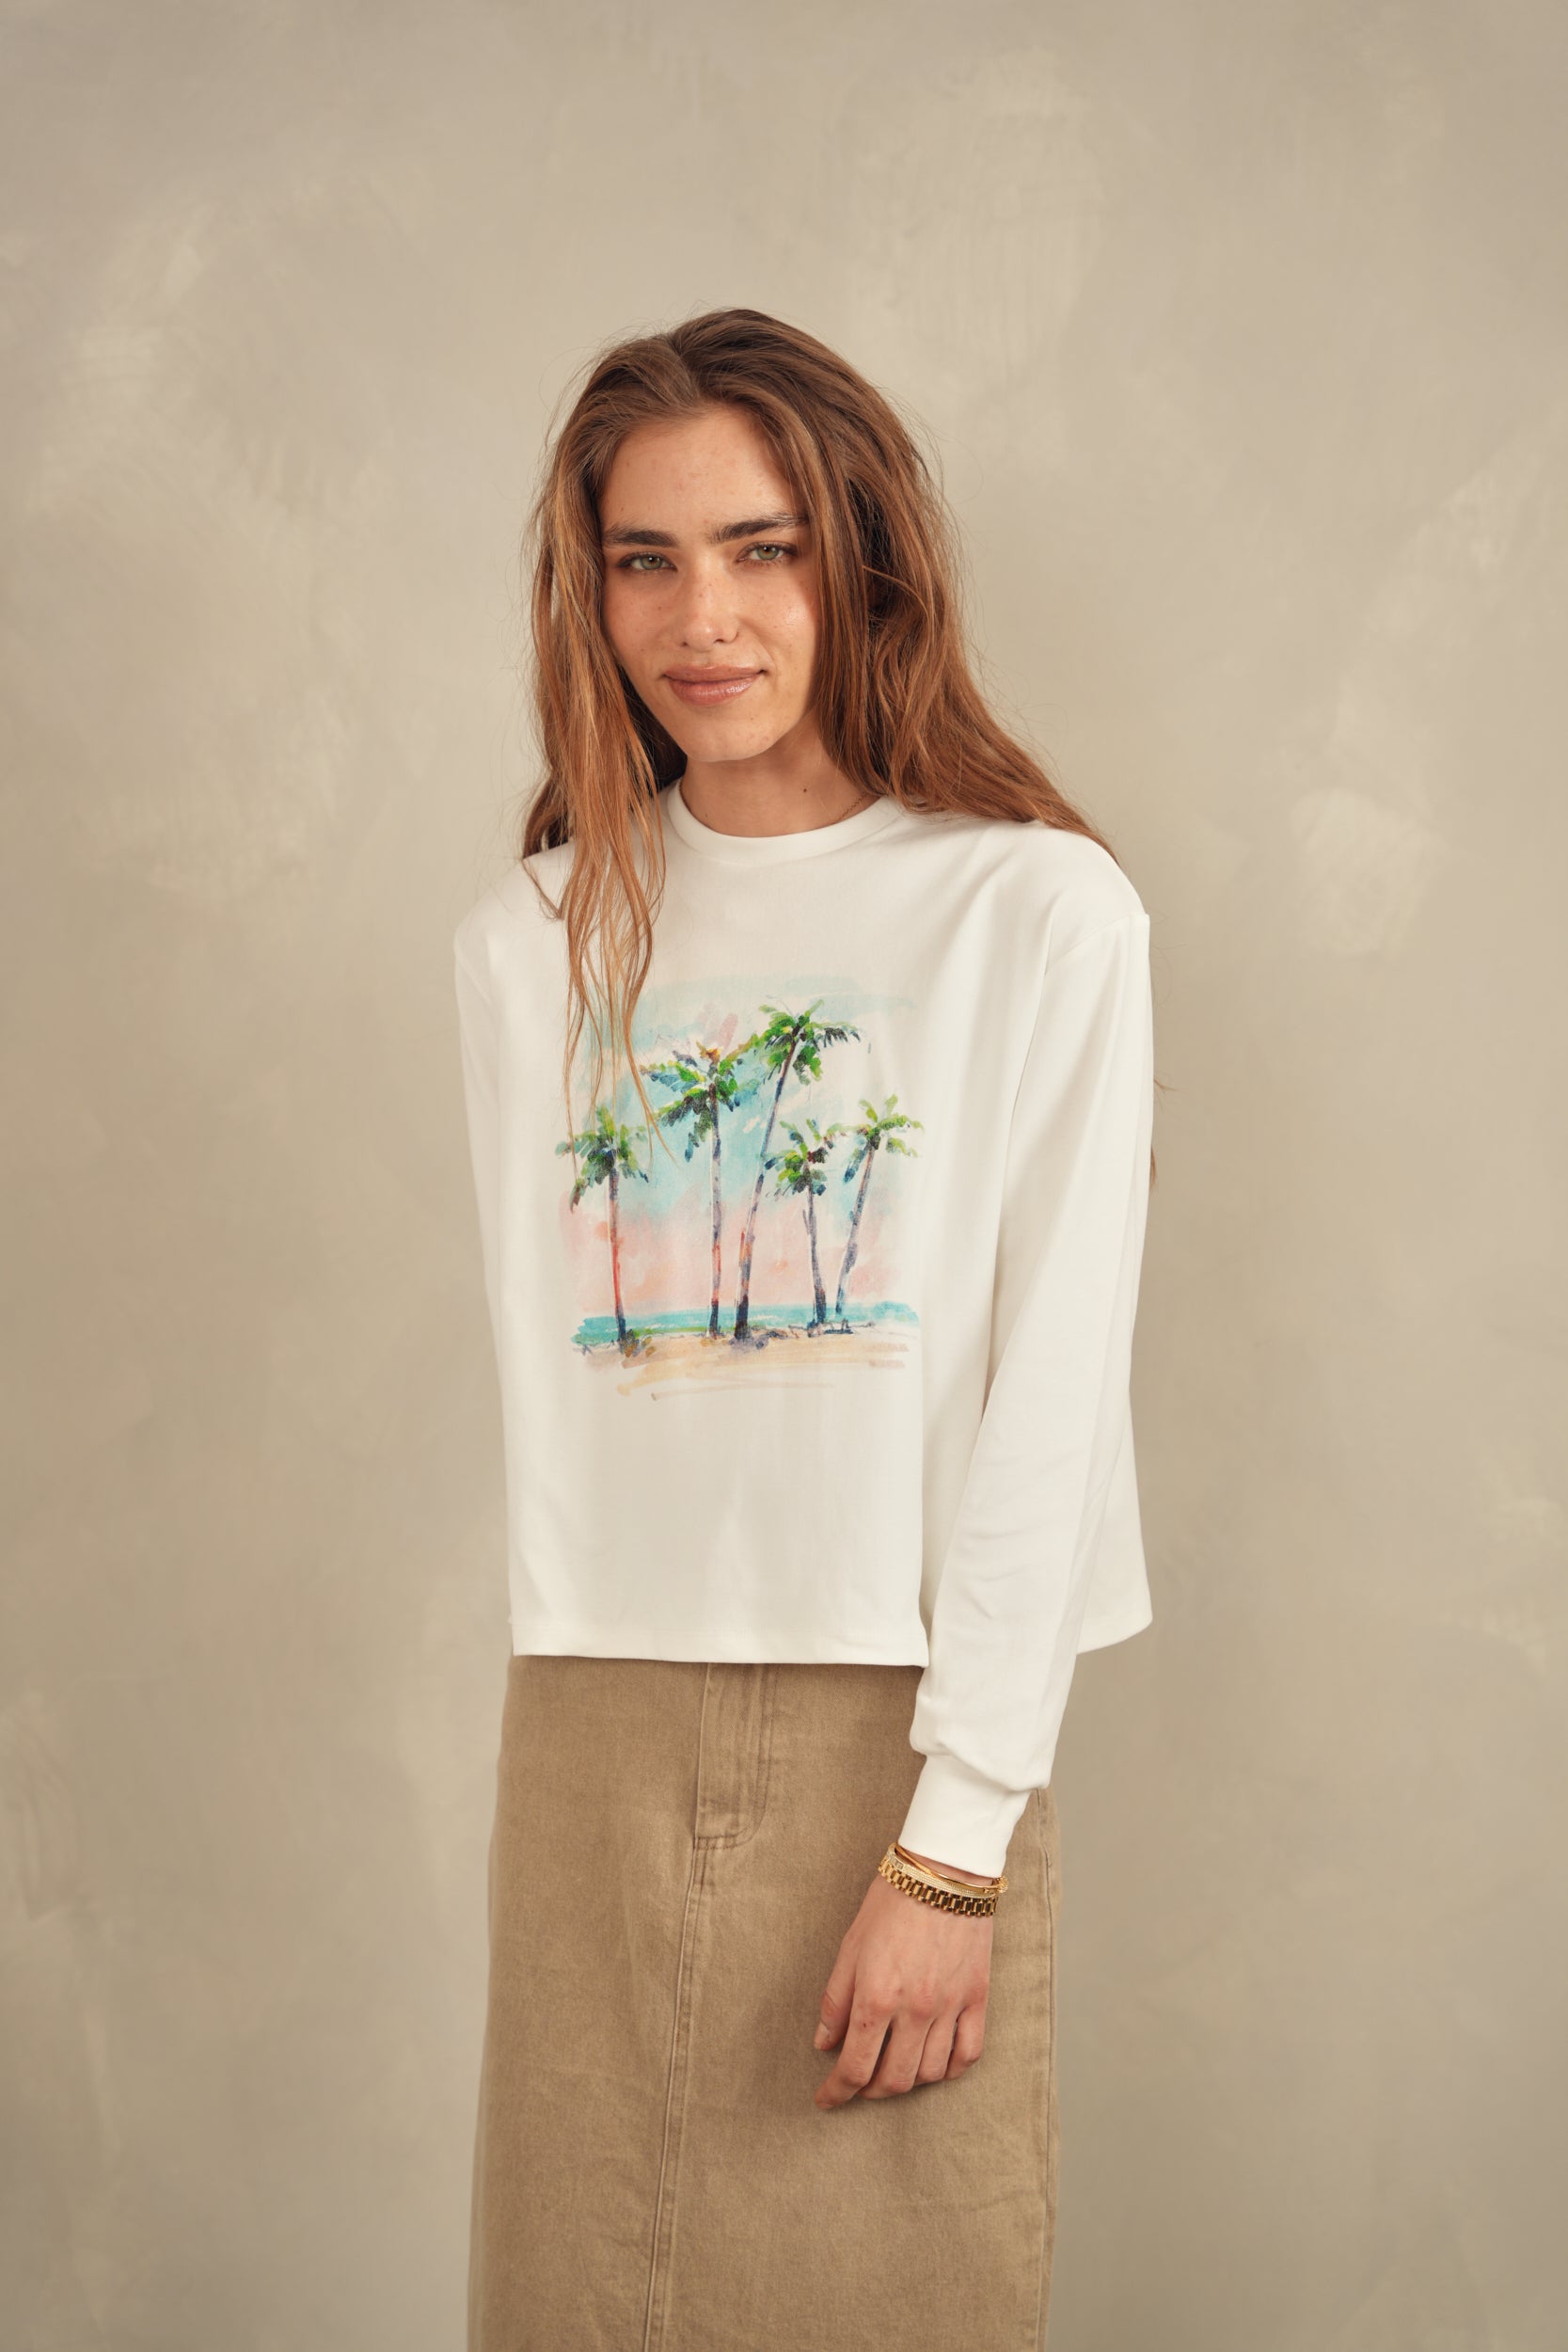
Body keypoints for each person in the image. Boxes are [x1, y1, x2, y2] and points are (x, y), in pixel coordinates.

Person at [452, 305, 1158, 2352]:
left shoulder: (1038, 913)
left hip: (903, 1720)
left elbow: (1053, 1398)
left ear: (862, 563)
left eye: (761, 549)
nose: (706, 618)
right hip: (591, 1719)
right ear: (590, 594)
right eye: (646, 559)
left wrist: (955, 1844)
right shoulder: (529, 942)